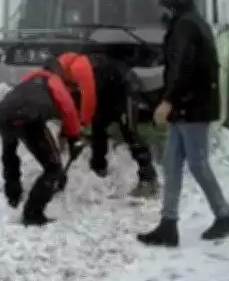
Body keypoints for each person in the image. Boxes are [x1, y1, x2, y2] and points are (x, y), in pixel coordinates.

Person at [137, 0, 229, 247]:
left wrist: (167, 101)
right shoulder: (190, 23)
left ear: (175, 5)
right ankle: (168, 224)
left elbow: (183, 68)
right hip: (187, 107)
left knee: (197, 164)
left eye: (165, 6)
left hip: (192, 108)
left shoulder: (185, 27)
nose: (163, 12)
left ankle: (224, 216)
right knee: (172, 165)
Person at [0, 58, 86, 226]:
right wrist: (74, 137)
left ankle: (13, 193)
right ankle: (32, 212)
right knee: (53, 167)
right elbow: (68, 108)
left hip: (1, 114)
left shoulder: (27, 81)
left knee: (10, 151)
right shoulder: (52, 80)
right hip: (29, 116)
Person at [56, 51, 159, 197]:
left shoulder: (80, 69)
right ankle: (98, 170)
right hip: (105, 95)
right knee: (98, 129)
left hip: (125, 92)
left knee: (130, 132)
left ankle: (149, 179)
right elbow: (72, 105)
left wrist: (77, 127)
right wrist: (65, 132)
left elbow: (87, 102)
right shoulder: (68, 70)